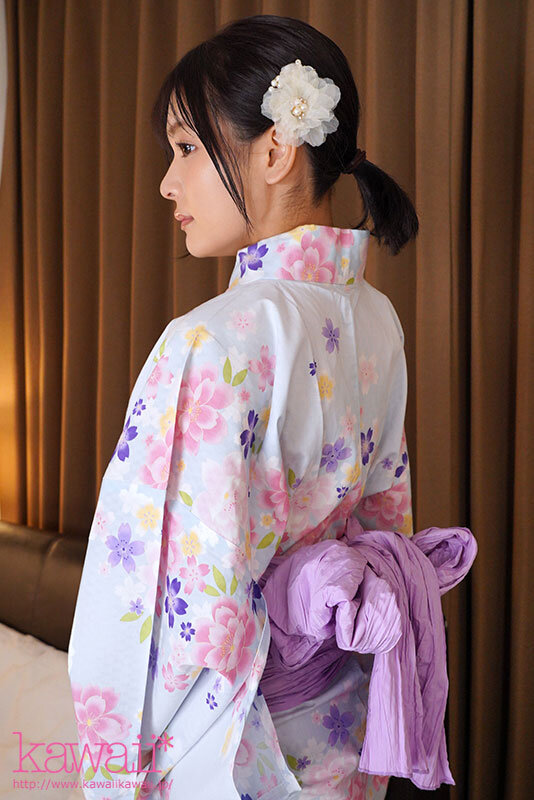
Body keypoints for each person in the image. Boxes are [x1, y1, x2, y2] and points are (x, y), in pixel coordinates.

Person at [68, 14, 420, 800]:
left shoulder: (213, 340)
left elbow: (168, 604)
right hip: (349, 725)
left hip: (237, 748)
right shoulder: (377, 319)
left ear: (275, 149)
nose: (168, 182)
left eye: (186, 148)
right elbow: (385, 526)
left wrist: (116, 770)